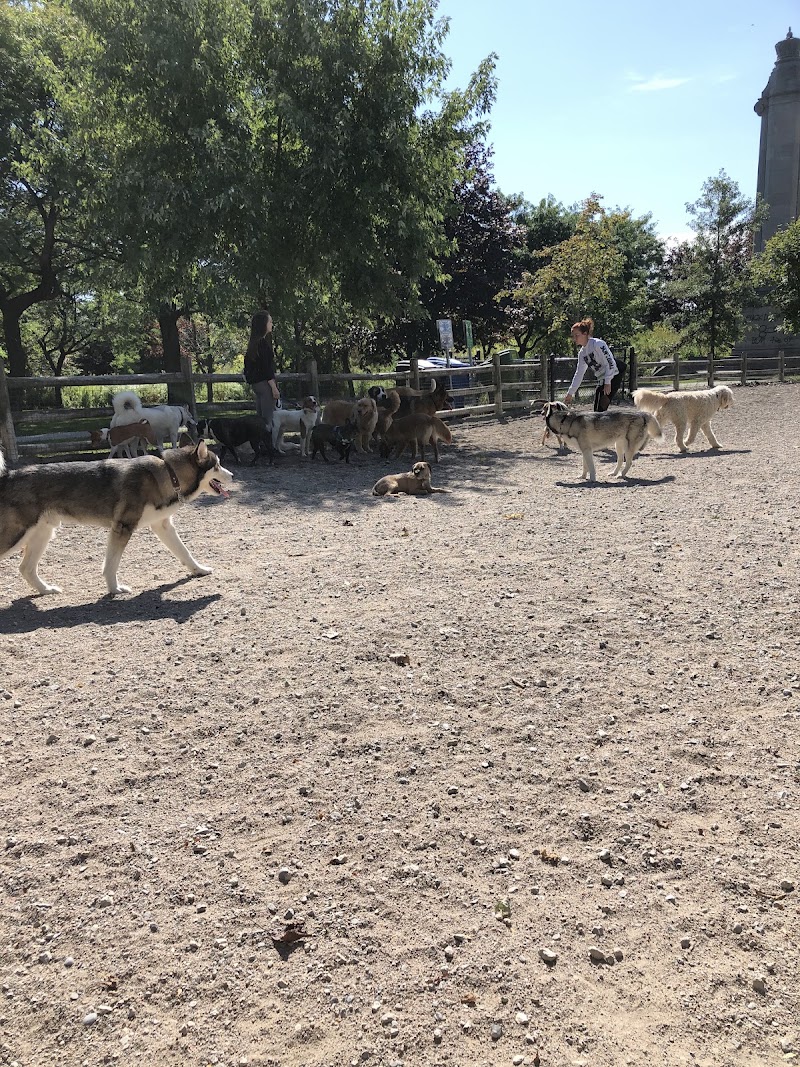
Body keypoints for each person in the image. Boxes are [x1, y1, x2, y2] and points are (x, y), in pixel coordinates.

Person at [564, 318, 621, 412]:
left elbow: (610, 362)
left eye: (576, 335)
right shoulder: (582, 353)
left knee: (600, 411)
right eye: (573, 336)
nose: (574, 338)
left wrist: (608, 382)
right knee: (597, 412)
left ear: (585, 333)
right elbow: (579, 374)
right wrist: (570, 393)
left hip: (613, 375)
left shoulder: (598, 344)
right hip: (602, 379)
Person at [243, 309, 280, 426]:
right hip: (265, 385)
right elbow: (267, 368)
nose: (271, 324)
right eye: (270, 322)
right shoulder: (262, 344)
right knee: (268, 419)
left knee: (260, 417)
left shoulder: (253, 344)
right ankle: (269, 443)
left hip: (256, 385)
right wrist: (274, 387)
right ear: (263, 324)